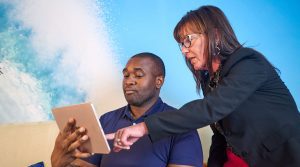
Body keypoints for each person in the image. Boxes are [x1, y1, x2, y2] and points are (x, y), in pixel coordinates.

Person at [108, 5, 300, 167]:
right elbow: (221, 136)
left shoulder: (248, 62)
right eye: (181, 44)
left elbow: (209, 109)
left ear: (215, 35)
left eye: (188, 40)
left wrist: (143, 128)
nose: (184, 50)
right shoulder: (211, 81)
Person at [51, 52, 203, 167]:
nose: (129, 81)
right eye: (126, 75)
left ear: (159, 81)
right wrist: (59, 157)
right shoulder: (106, 120)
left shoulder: (180, 125)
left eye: (138, 75)